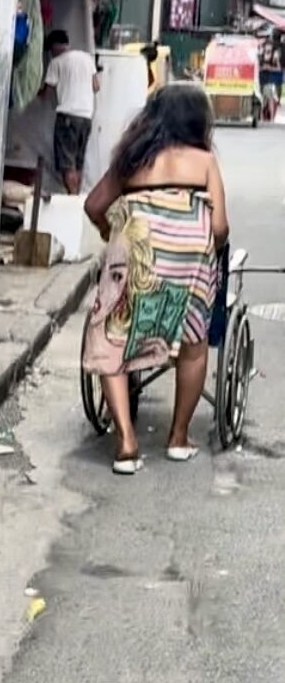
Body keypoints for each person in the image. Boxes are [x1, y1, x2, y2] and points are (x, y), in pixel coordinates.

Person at [83, 83, 228, 473]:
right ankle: (178, 438)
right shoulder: (204, 162)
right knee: (195, 345)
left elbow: (94, 205)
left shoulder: (132, 158)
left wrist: (107, 231)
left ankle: (126, 441)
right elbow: (219, 228)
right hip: (188, 269)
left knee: (112, 339)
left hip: (134, 259)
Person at [44, 30, 99, 196]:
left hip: (67, 116)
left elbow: (47, 91)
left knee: (67, 163)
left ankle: (72, 198)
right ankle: (76, 200)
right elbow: (96, 86)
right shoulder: (87, 58)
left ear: (54, 47)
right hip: (86, 117)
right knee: (78, 162)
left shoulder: (56, 62)